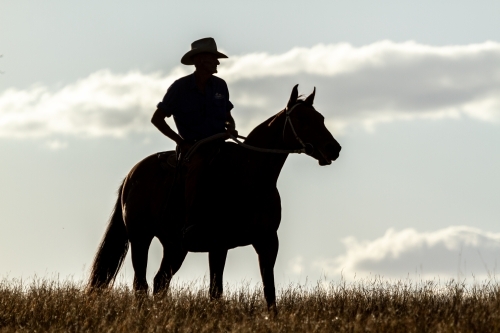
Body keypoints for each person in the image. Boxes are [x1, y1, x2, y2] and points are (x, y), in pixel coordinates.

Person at [151, 37, 237, 247]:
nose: (217, 63)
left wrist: (231, 126)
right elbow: (157, 119)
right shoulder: (179, 88)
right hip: (194, 147)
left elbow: (227, 115)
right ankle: (190, 221)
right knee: (197, 169)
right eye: (212, 58)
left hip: (219, 143)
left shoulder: (220, 86)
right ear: (199, 60)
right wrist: (180, 141)